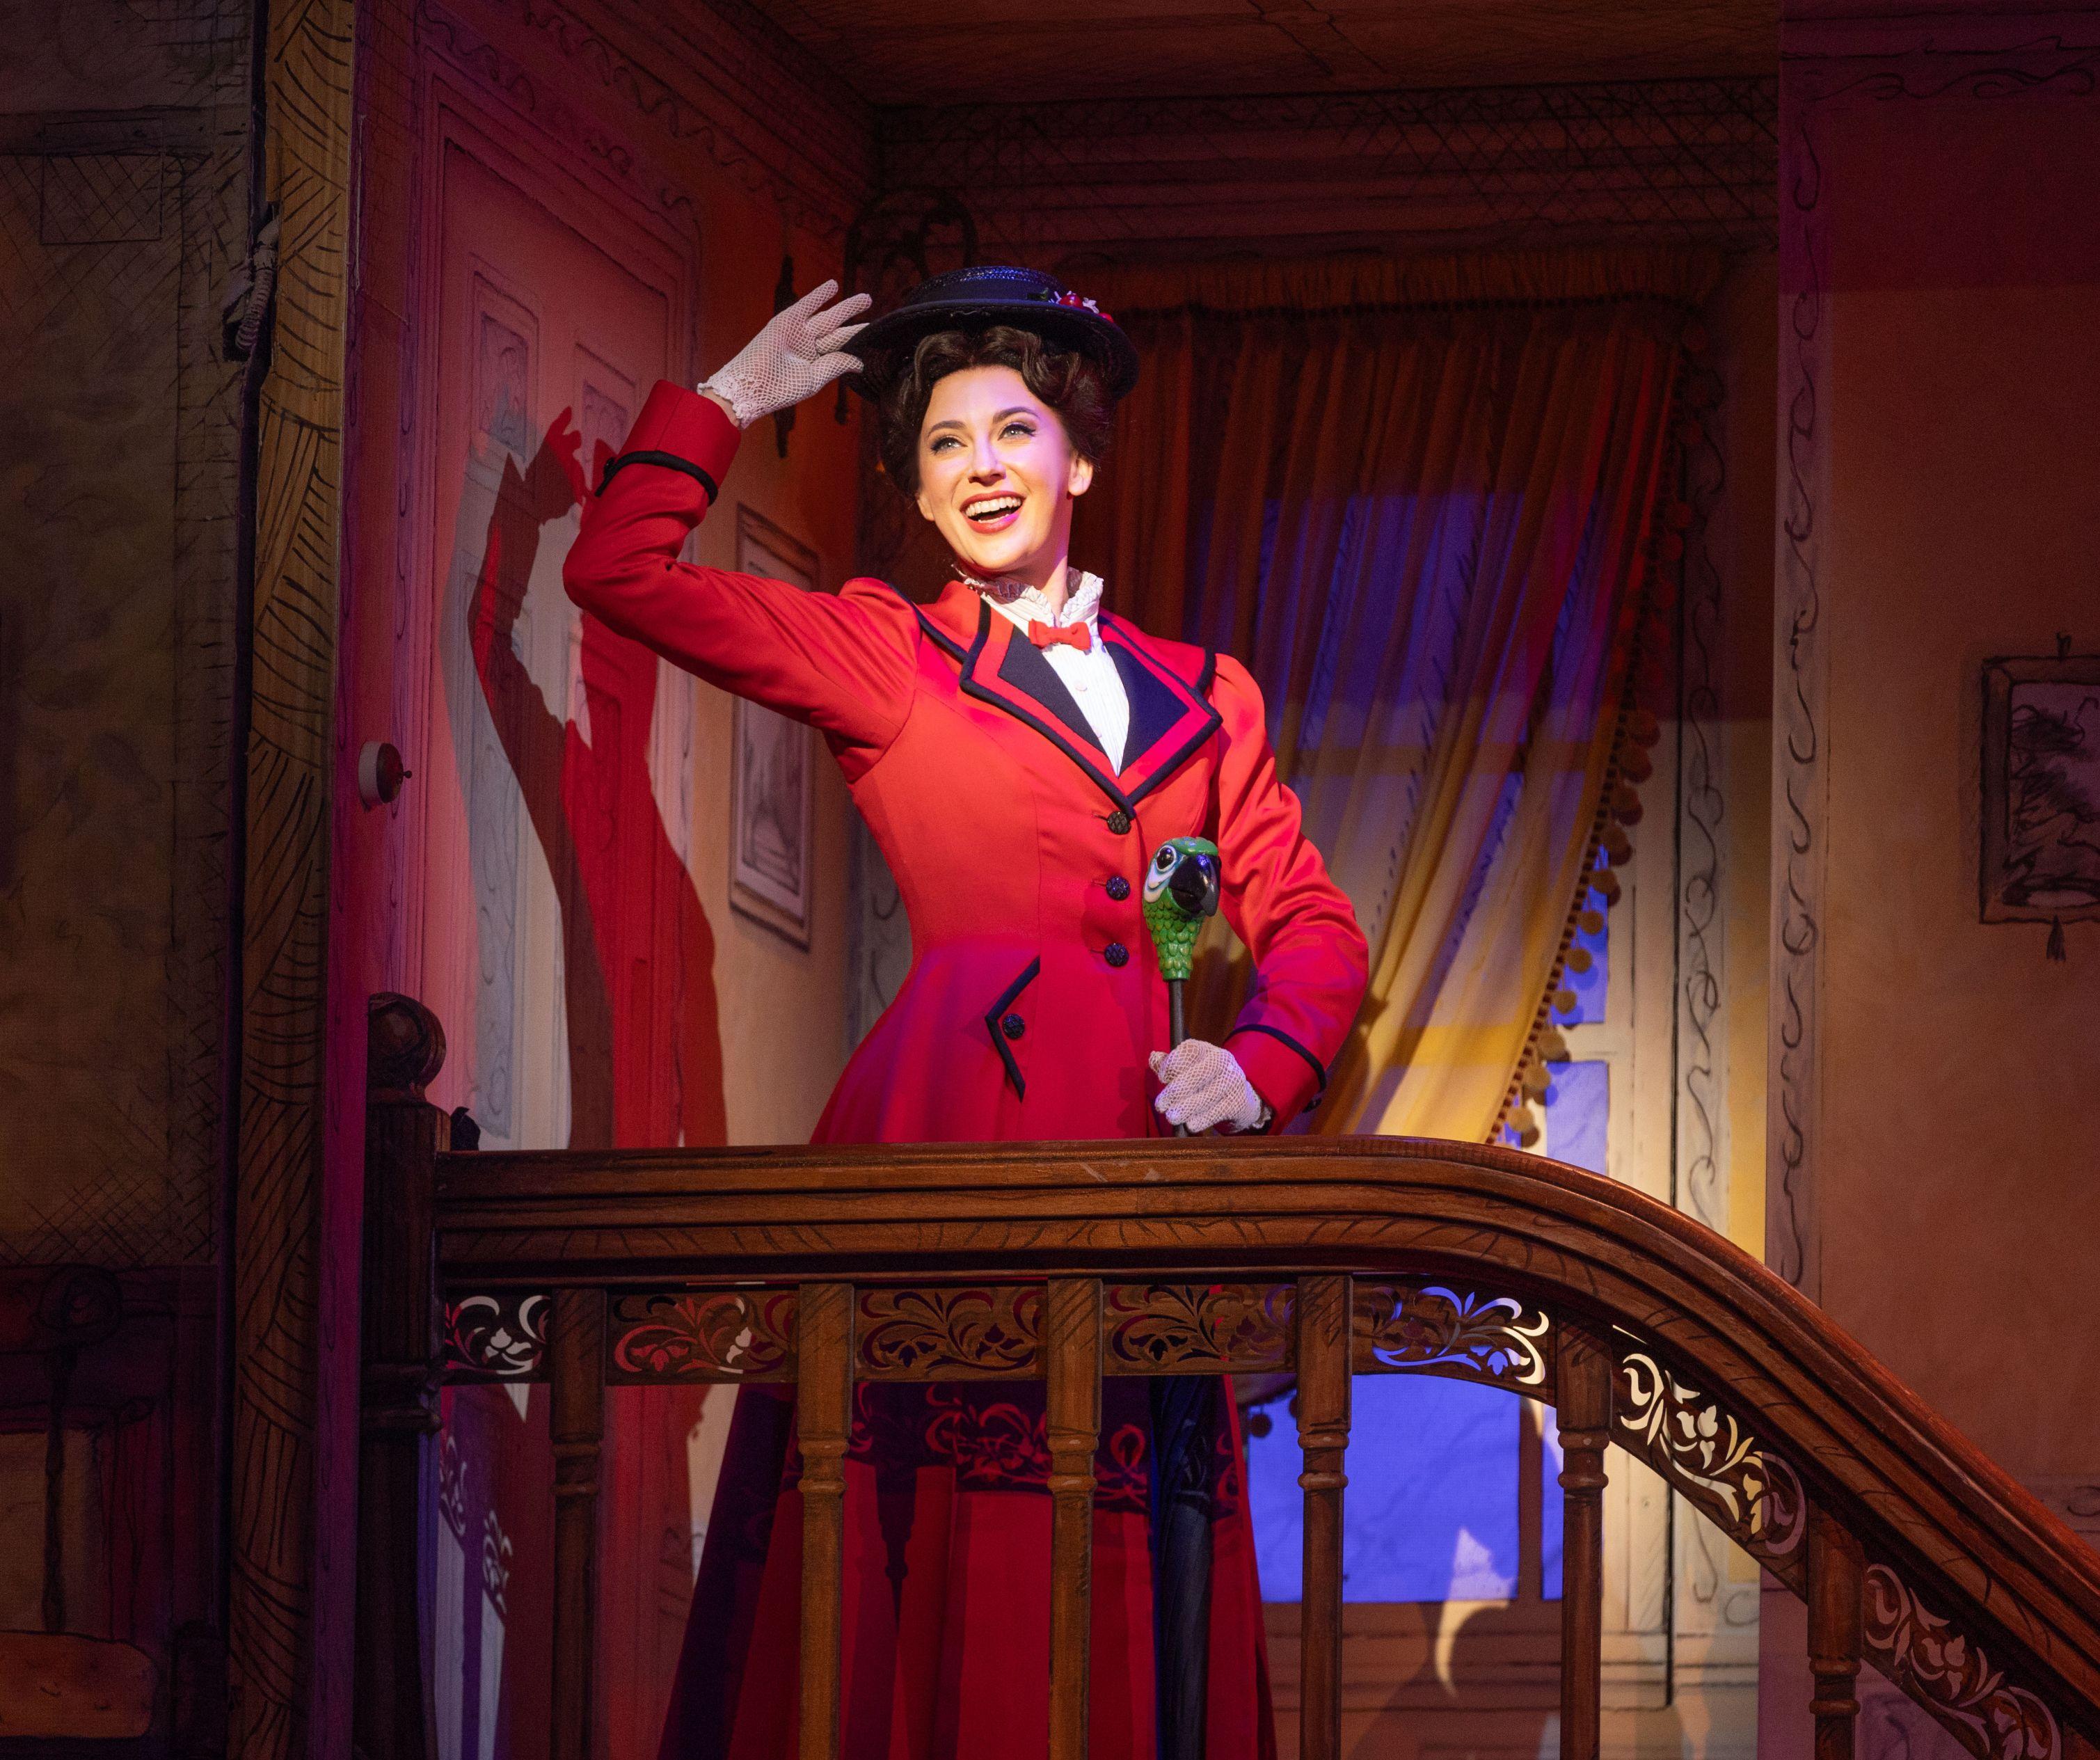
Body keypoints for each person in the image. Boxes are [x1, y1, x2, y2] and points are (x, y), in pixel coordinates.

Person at [564, 265, 1369, 1760]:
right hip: (947, 1138)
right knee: (939, 1547)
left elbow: (1311, 923)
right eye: (944, 444)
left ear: (1080, 460)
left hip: (1143, 1170)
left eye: (1012, 431)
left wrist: (1259, 1065)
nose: (981, 467)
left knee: (1133, 1563)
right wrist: (728, 402)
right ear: (920, 491)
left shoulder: (1211, 694)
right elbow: (620, 571)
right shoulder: (890, 646)